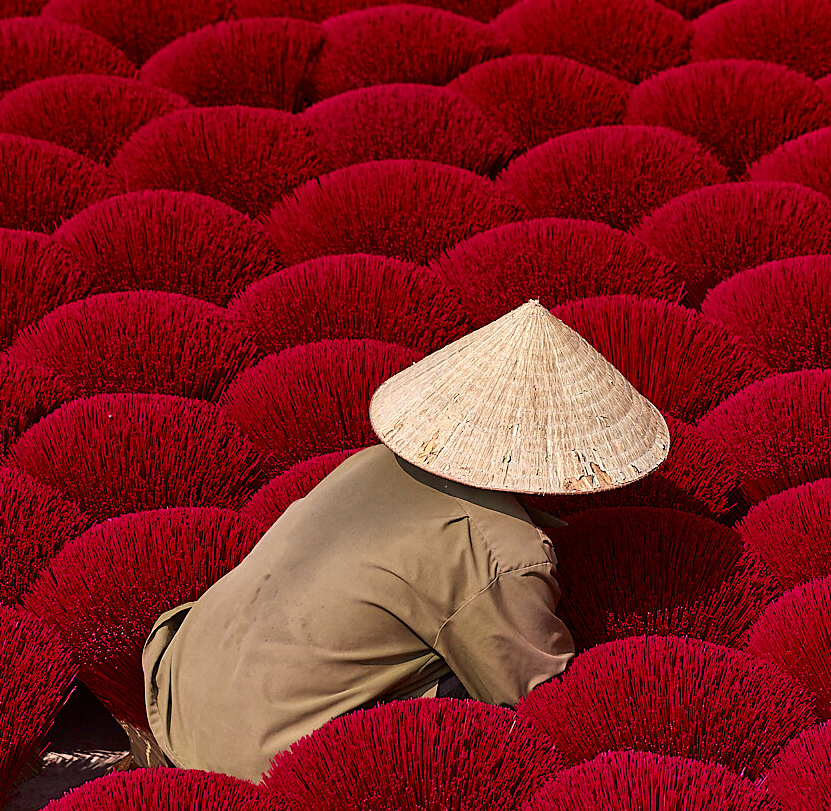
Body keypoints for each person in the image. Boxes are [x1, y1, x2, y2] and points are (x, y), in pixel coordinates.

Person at [139, 300, 671, 781]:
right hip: (257, 768)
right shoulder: (501, 552)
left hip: (177, 693)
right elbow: (538, 697)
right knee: (487, 700)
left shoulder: (369, 464)